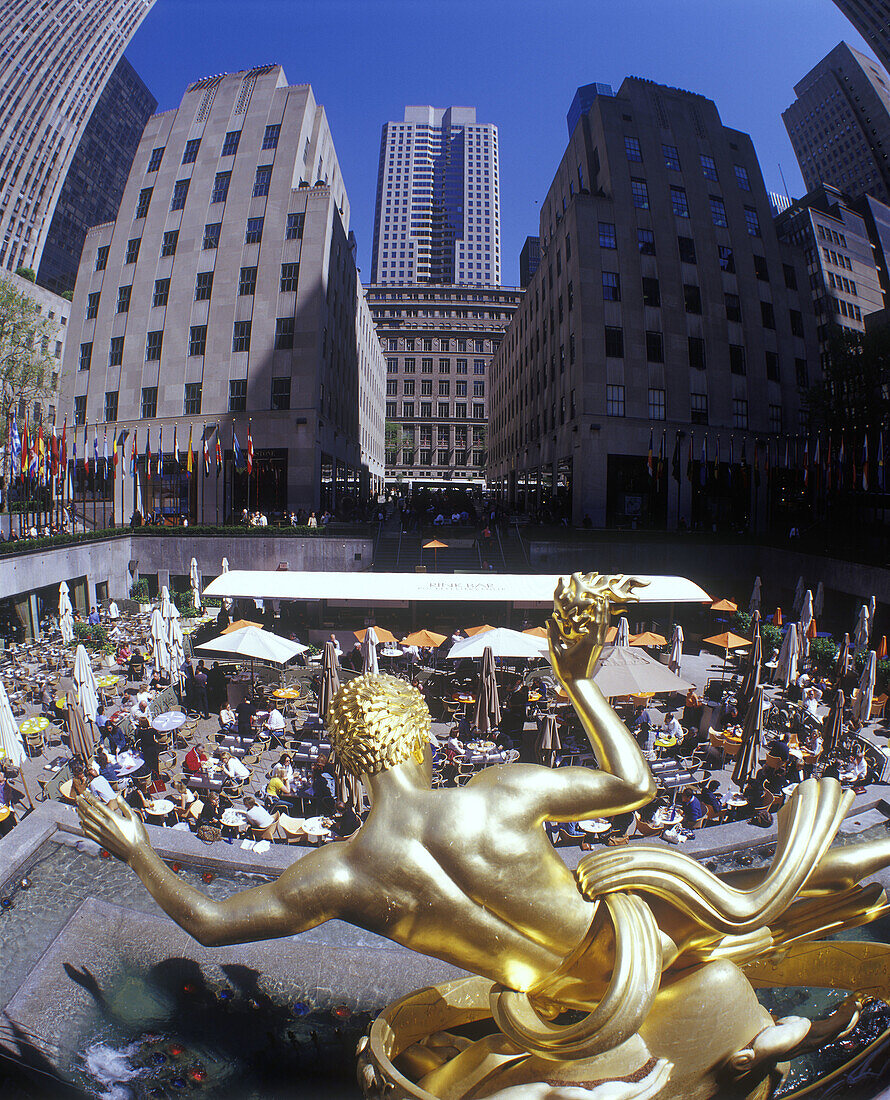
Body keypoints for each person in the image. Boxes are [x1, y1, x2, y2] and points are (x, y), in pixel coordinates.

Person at [78, 573, 890, 1091]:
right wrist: (576, 679)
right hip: (639, 948)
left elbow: (212, 925)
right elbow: (635, 783)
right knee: (785, 876)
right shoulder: (498, 793)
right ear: (423, 733)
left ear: (350, 760)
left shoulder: (340, 873)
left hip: (560, 1004)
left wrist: (140, 850)